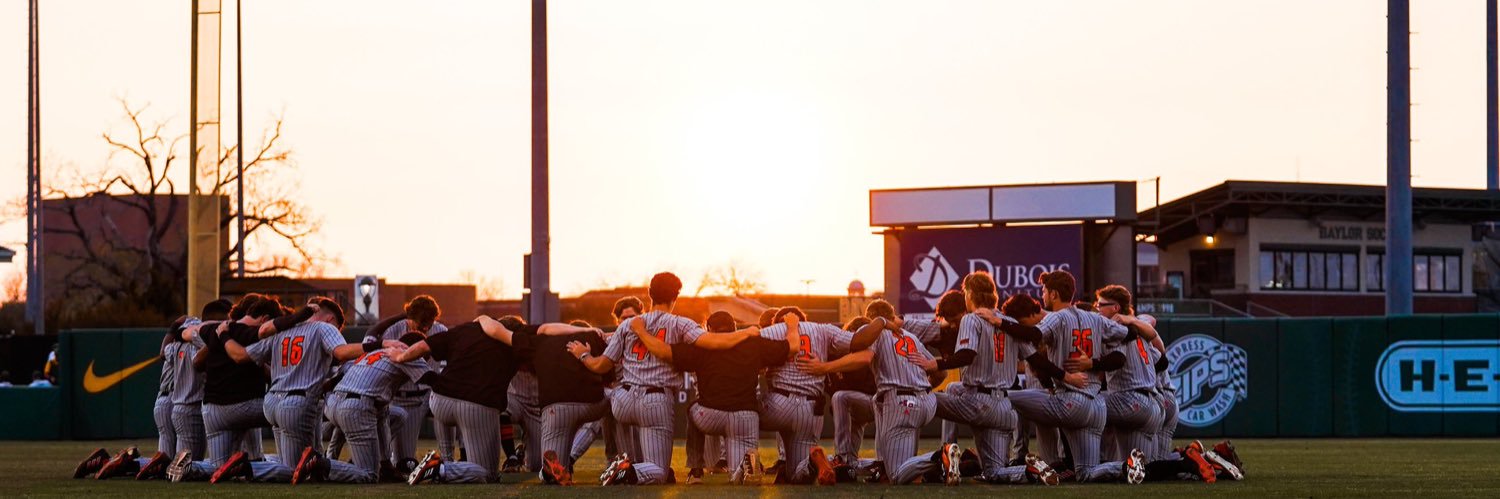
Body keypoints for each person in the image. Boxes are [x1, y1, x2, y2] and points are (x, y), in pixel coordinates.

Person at [571, 272, 763, 486]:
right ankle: (628, 468)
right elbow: (714, 342)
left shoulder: (628, 325)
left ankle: (625, 462)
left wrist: (583, 354)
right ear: (676, 296)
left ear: (649, 294)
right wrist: (746, 333)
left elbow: (600, 365)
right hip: (655, 400)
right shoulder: (680, 323)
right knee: (658, 472)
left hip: (623, 398)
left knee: (618, 407)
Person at [1005, 270, 1145, 484]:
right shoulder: (1095, 317)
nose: (1042, 296)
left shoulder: (1057, 317)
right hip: (1097, 405)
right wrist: (1094, 362)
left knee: (1006, 397)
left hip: (1070, 401)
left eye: (1044, 291)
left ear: (1053, 294)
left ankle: (1030, 463)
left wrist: (1000, 323)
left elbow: (1033, 335)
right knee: (1086, 472)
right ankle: (1125, 466)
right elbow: (1131, 334)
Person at [629, 310, 795, 485]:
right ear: (735, 327)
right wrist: (792, 326)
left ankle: (696, 470)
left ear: (709, 328)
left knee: (692, 410)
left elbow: (663, 351)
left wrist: (641, 331)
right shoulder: (753, 343)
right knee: (738, 476)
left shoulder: (702, 345)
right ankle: (745, 466)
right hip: (745, 416)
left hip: (709, 415)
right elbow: (792, 348)